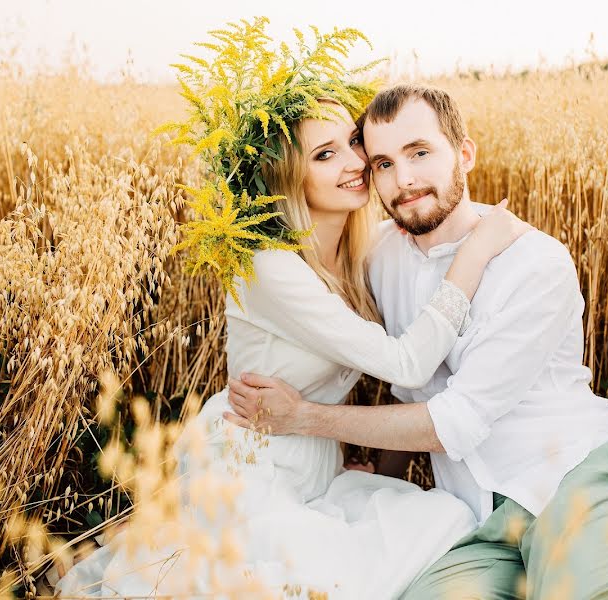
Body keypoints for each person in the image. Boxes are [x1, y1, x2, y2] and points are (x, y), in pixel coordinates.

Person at [225, 84, 608, 600]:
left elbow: (455, 423)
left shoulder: (535, 262)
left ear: (464, 153)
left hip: (573, 479)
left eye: (420, 153)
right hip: (479, 519)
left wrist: (304, 417)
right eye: (383, 163)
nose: (405, 180)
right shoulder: (380, 257)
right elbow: (408, 393)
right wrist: (383, 473)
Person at [55, 80, 531, 598]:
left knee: (439, 519)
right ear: (289, 178)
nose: (356, 162)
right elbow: (409, 365)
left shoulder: (358, 248)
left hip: (316, 459)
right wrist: (474, 256)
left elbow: (427, 222)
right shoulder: (269, 267)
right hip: (249, 459)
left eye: (353, 143)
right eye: (326, 155)